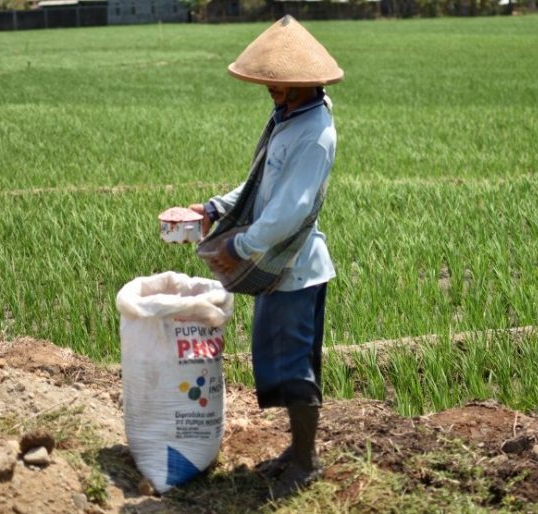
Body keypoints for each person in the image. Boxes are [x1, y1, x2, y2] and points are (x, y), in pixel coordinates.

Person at [188, 15, 343, 498]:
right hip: (284, 269)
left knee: (294, 368)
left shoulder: (313, 133)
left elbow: (288, 211)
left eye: (279, 83)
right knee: (282, 361)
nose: (271, 89)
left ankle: (307, 461)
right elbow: (260, 182)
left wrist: (241, 245)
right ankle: (296, 453)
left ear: (304, 83)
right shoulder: (288, 120)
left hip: (294, 269)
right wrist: (215, 208)